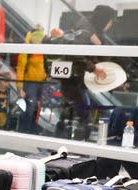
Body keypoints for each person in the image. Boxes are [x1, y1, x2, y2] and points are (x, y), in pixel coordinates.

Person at [45, 5, 117, 139]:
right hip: (74, 78)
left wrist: (99, 46)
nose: (110, 24)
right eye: (110, 21)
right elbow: (76, 55)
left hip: (74, 78)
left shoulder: (91, 30)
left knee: (71, 112)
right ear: (104, 20)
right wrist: (94, 68)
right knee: (82, 114)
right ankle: (77, 148)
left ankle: (62, 145)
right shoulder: (86, 31)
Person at [15, 25, 47, 134]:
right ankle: (26, 129)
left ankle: (33, 127)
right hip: (30, 83)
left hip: (41, 83)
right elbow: (20, 69)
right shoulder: (27, 49)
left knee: (37, 106)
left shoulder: (43, 49)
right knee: (31, 106)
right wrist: (20, 88)